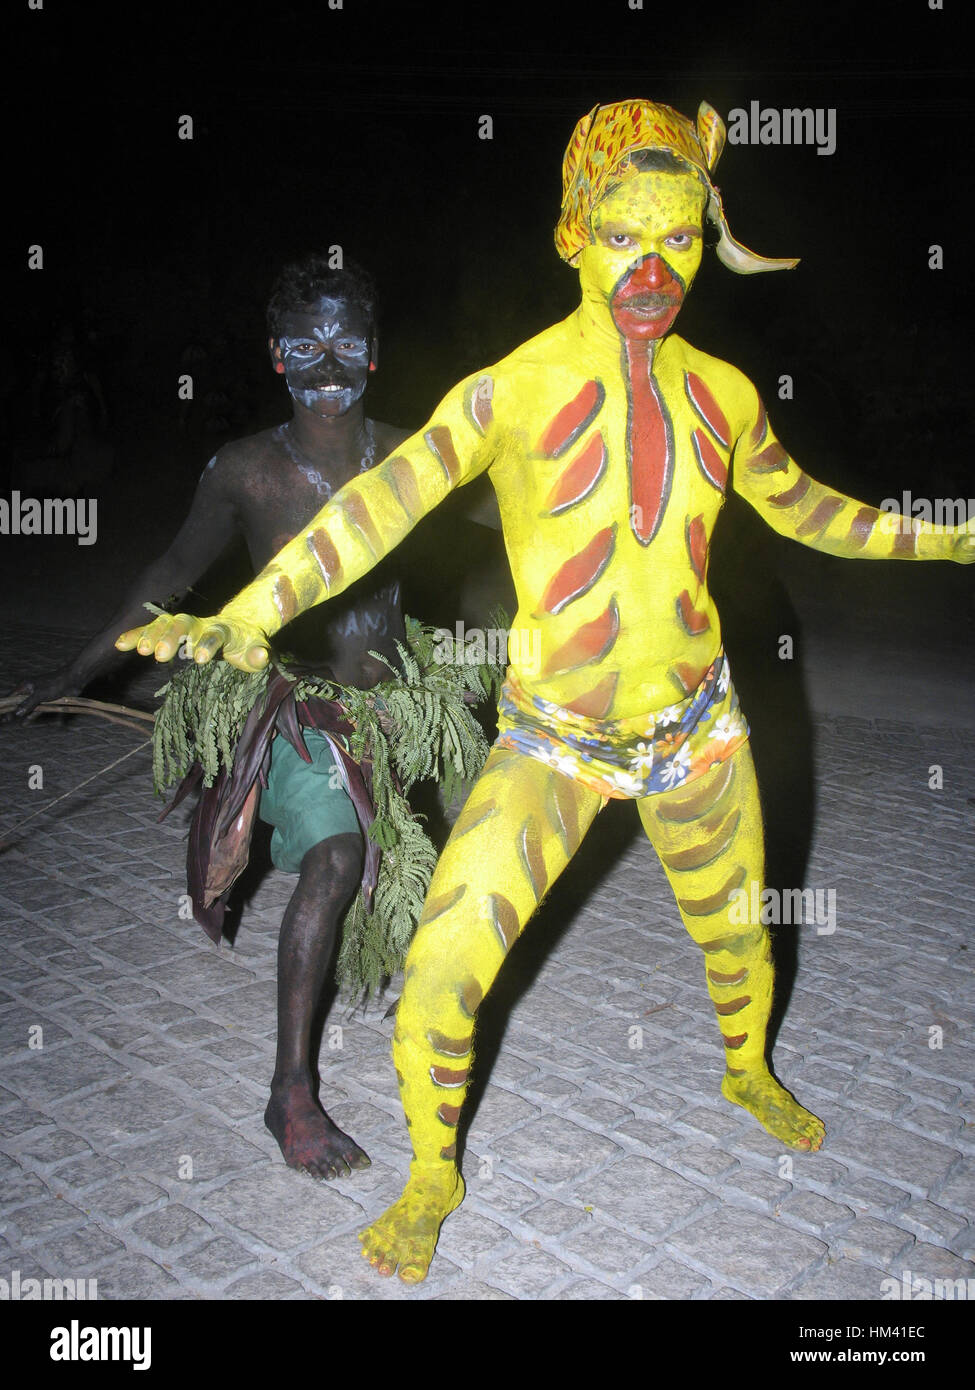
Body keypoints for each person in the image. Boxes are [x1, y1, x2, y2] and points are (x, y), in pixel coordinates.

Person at [115, 101, 974, 1281]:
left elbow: (816, 511)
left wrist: (946, 538)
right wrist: (248, 612)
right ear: (574, 232)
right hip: (555, 744)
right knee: (442, 973)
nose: (655, 267)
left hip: (698, 733)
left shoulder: (725, 394)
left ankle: (746, 1069)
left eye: (680, 238)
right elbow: (377, 507)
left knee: (741, 941)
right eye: (628, 234)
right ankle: (432, 1175)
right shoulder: (512, 389)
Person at [11, 254, 429, 1181]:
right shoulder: (243, 470)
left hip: (386, 709)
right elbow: (167, 577)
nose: (328, 366)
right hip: (293, 708)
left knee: (408, 862)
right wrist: (76, 671)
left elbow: (519, 514)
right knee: (336, 857)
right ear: (275, 358)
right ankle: (291, 1096)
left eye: (348, 342)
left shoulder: (415, 458)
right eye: (304, 346)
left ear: (377, 354)